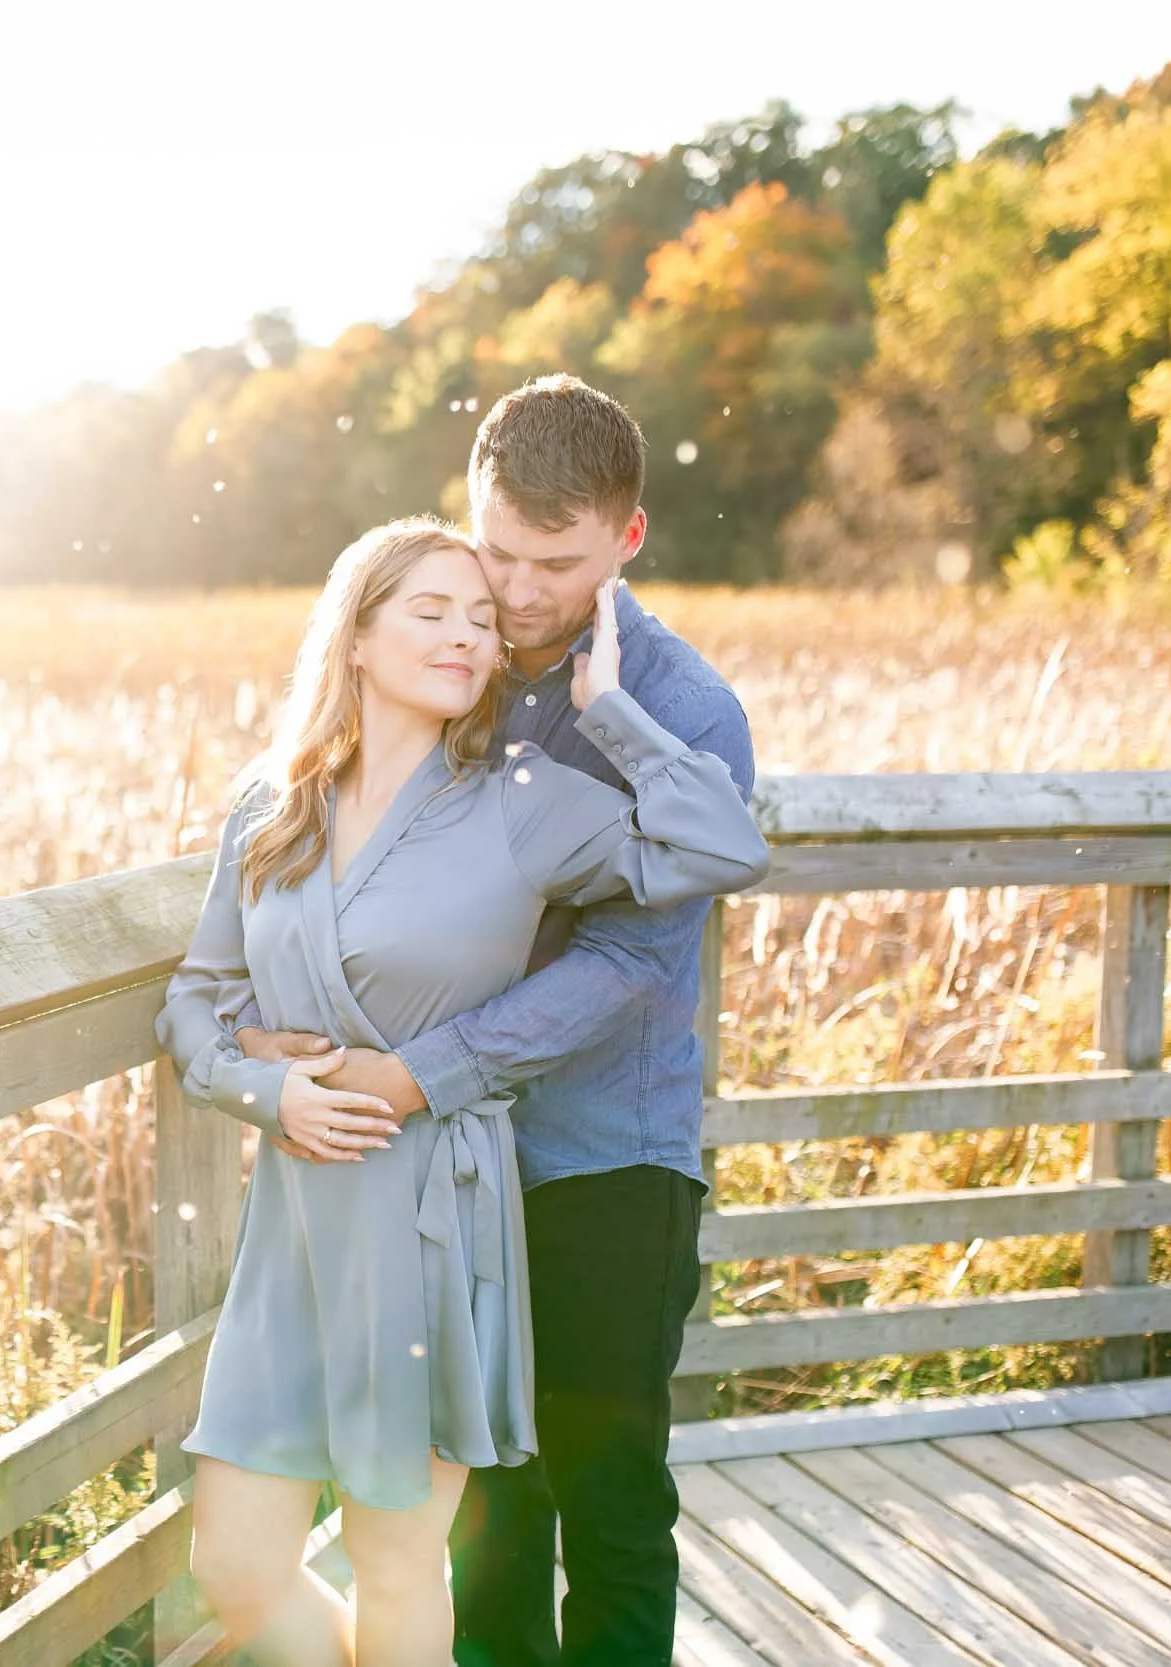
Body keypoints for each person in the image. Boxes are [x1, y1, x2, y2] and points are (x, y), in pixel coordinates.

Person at [154, 509, 767, 1667]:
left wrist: (610, 714)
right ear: (356, 636)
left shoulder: (524, 799)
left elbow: (726, 847)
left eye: (479, 621)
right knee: (233, 1567)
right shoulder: (269, 802)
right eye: (431, 611)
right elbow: (197, 998)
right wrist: (258, 1090)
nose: (467, 635)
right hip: (291, 1222)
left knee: (400, 1566)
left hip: (433, 1207)